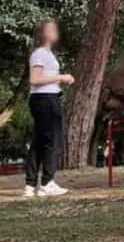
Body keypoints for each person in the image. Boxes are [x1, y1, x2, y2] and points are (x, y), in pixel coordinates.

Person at [25, 20, 72, 198]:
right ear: (42, 33)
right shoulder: (40, 54)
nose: (55, 32)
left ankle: (30, 185)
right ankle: (47, 182)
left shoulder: (47, 54)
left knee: (38, 141)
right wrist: (62, 77)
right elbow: (35, 79)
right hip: (45, 99)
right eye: (51, 29)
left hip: (45, 99)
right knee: (52, 141)